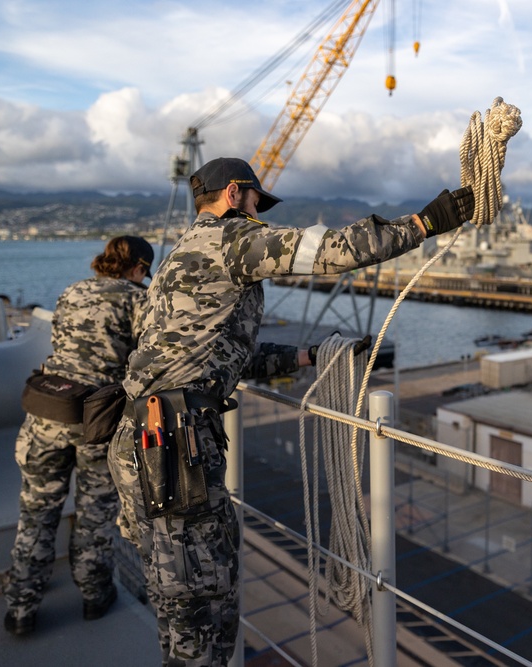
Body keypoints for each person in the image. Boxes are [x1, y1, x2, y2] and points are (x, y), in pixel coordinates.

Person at [107, 156, 473, 665]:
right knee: (202, 609)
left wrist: (304, 356)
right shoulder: (232, 239)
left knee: (180, 603)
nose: (260, 213)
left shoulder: (178, 257)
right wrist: (425, 223)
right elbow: (331, 251)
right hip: (173, 447)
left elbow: (211, 353)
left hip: (147, 439)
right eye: (257, 201)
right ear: (234, 194)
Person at [3, 235, 154, 636]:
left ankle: (21, 607)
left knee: (36, 510)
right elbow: (147, 359)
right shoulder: (139, 299)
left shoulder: (72, 291)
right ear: (139, 268)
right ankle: (93, 596)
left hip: (48, 410)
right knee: (94, 515)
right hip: (97, 421)